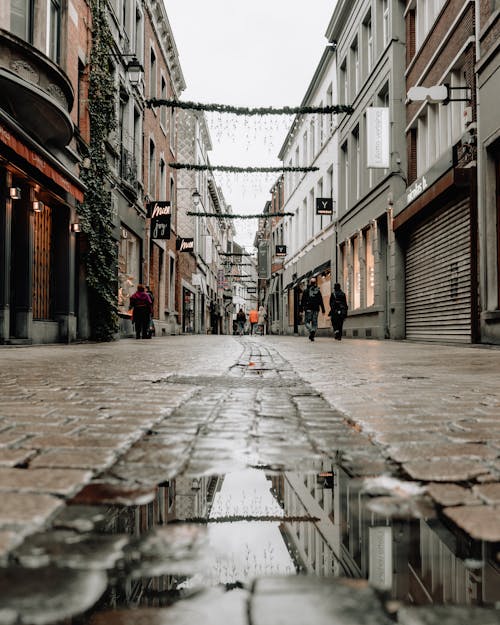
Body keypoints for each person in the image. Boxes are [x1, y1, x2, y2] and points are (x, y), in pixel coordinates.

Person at [300, 276, 325, 341]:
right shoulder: (318, 291)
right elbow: (320, 300)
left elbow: (302, 301)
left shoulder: (306, 291)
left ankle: (311, 330)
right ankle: (313, 331)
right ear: (315, 283)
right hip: (316, 309)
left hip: (308, 309)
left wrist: (301, 309)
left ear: (310, 283)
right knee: (315, 322)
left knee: (306, 322)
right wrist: (323, 309)